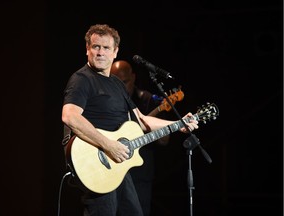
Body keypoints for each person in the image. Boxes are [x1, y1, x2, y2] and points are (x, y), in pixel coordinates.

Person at [61, 24, 199, 216]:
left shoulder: (117, 84)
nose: (100, 52)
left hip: (116, 163)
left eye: (106, 47)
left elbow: (141, 121)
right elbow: (70, 116)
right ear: (87, 49)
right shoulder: (82, 79)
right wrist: (108, 145)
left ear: (115, 52)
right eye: (95, 47)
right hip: (97, 161)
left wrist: (179, 124)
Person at [110, 60, 170, 216]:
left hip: (140, 172)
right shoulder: (107, 100)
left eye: (125, 82)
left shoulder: (147, 100)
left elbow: (164, 141)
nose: (122, 86)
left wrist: (154, 129)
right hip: (112, 169)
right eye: (117, 81)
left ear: (134, 77)